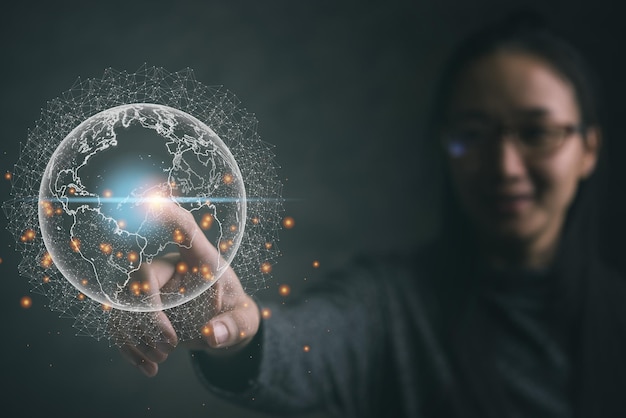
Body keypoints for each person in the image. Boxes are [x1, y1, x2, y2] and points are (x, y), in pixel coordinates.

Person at [118, 12, 626, 418]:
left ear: (589, 149)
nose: (505, 167)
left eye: (537, 133)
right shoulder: (390, 306)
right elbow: (308, 346)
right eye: (472, 134)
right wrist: (237, 336)